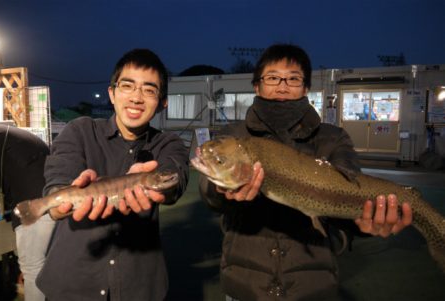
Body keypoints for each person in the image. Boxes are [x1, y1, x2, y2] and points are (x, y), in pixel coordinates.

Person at [198, 44, 413, 300]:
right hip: (245, 283)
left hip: (312, 285)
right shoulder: (235, 135)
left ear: (306, 88)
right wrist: (220, 190)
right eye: (273, 77)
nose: (282, 85)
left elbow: (352, 192)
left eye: (293, 78)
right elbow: (208, 190)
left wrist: (366, 224)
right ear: (257, 85)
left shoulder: (332, 139)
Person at [35, 48, 189, 301]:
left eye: (149, 90)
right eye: (127, 86)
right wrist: (58, 204)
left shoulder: (168, 143)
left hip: (139, 287)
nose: (137, 97)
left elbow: (176, 173)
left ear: (162, 102)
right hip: (71, 283)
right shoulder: (79, 130)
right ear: (112, 93)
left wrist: (163, 183)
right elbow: (57, 179)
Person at [0, 124, 54, 301]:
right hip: (55, 201)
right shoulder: (9, 133)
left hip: (33, 208)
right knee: (51, 268)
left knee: (33, 268)